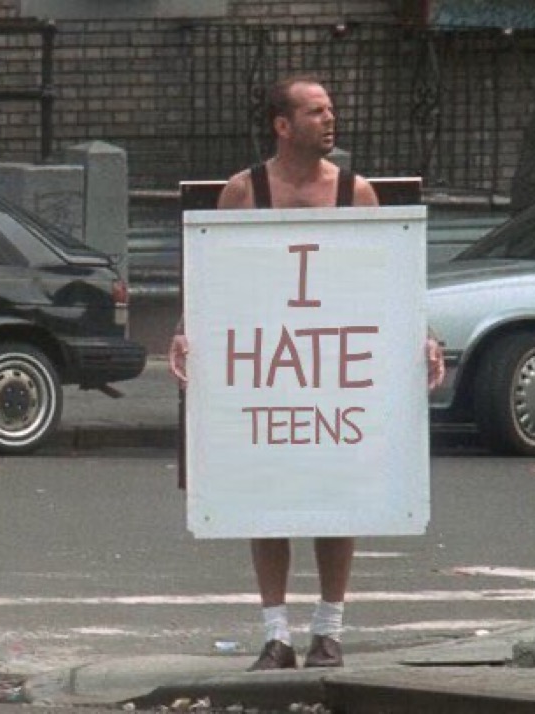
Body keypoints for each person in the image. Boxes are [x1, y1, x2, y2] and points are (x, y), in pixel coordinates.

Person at [169, 75, 445, 672]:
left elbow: (389, 277)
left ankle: (329, 630)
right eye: (316, 111)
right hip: (271, 362)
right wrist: (188, 330)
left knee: (336, 495)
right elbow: (215, 273)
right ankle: (276, 635)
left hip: (330, 364)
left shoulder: (355, 192)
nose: (329, 119)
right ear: (283, 125)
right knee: (265, 494)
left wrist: (421, 336)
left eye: (330, 110)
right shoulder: (245, 191)